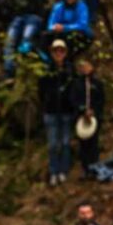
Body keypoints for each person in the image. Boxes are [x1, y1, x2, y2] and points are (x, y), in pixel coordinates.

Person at [39, 39, 74, 186]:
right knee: (53, 144)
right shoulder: (47, 69)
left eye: (61, 50)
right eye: (56, 51)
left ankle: (63, 171)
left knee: (65, 143)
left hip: (66, 111)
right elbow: (41, 91)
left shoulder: (70, 69)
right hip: (51, 111)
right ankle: (54, 171)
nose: (58, 53)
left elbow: (73, 89)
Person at [70, 58, 105, 177]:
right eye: (82, 66)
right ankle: (85, 169)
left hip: (95, 117)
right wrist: (83, 110)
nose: (85, 68)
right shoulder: (76, 84)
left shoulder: (97, 83)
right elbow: (73, 100)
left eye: (87, 65)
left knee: (94, 144)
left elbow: (101, 100)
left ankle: (95, 168)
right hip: (81, 118)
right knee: (83, 145)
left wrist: (94, 111)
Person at [1, 0, 48, 79]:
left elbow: (45, 4)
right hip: (18, 17)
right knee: (9, 41)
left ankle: (33, 62)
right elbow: (5, 6)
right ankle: (9, 71)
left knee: (27, 38)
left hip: (34, 16)